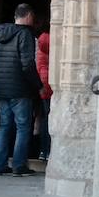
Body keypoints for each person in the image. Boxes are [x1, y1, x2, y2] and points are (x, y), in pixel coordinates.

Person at [0, 3, 42, 176]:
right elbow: (27, 64)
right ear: (27, 16)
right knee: (23, 127)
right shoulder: (25, 34)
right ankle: (19, 165)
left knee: (4, 125)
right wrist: (38, 85)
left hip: (2, 88)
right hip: (20, 90)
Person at [36, 19, 53, 161]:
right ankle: (48, 150)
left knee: (45, 118)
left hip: (43, 84)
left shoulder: (41, 41)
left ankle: (43, 151)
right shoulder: (54, 41)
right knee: (49, 119)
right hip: (51, 84)